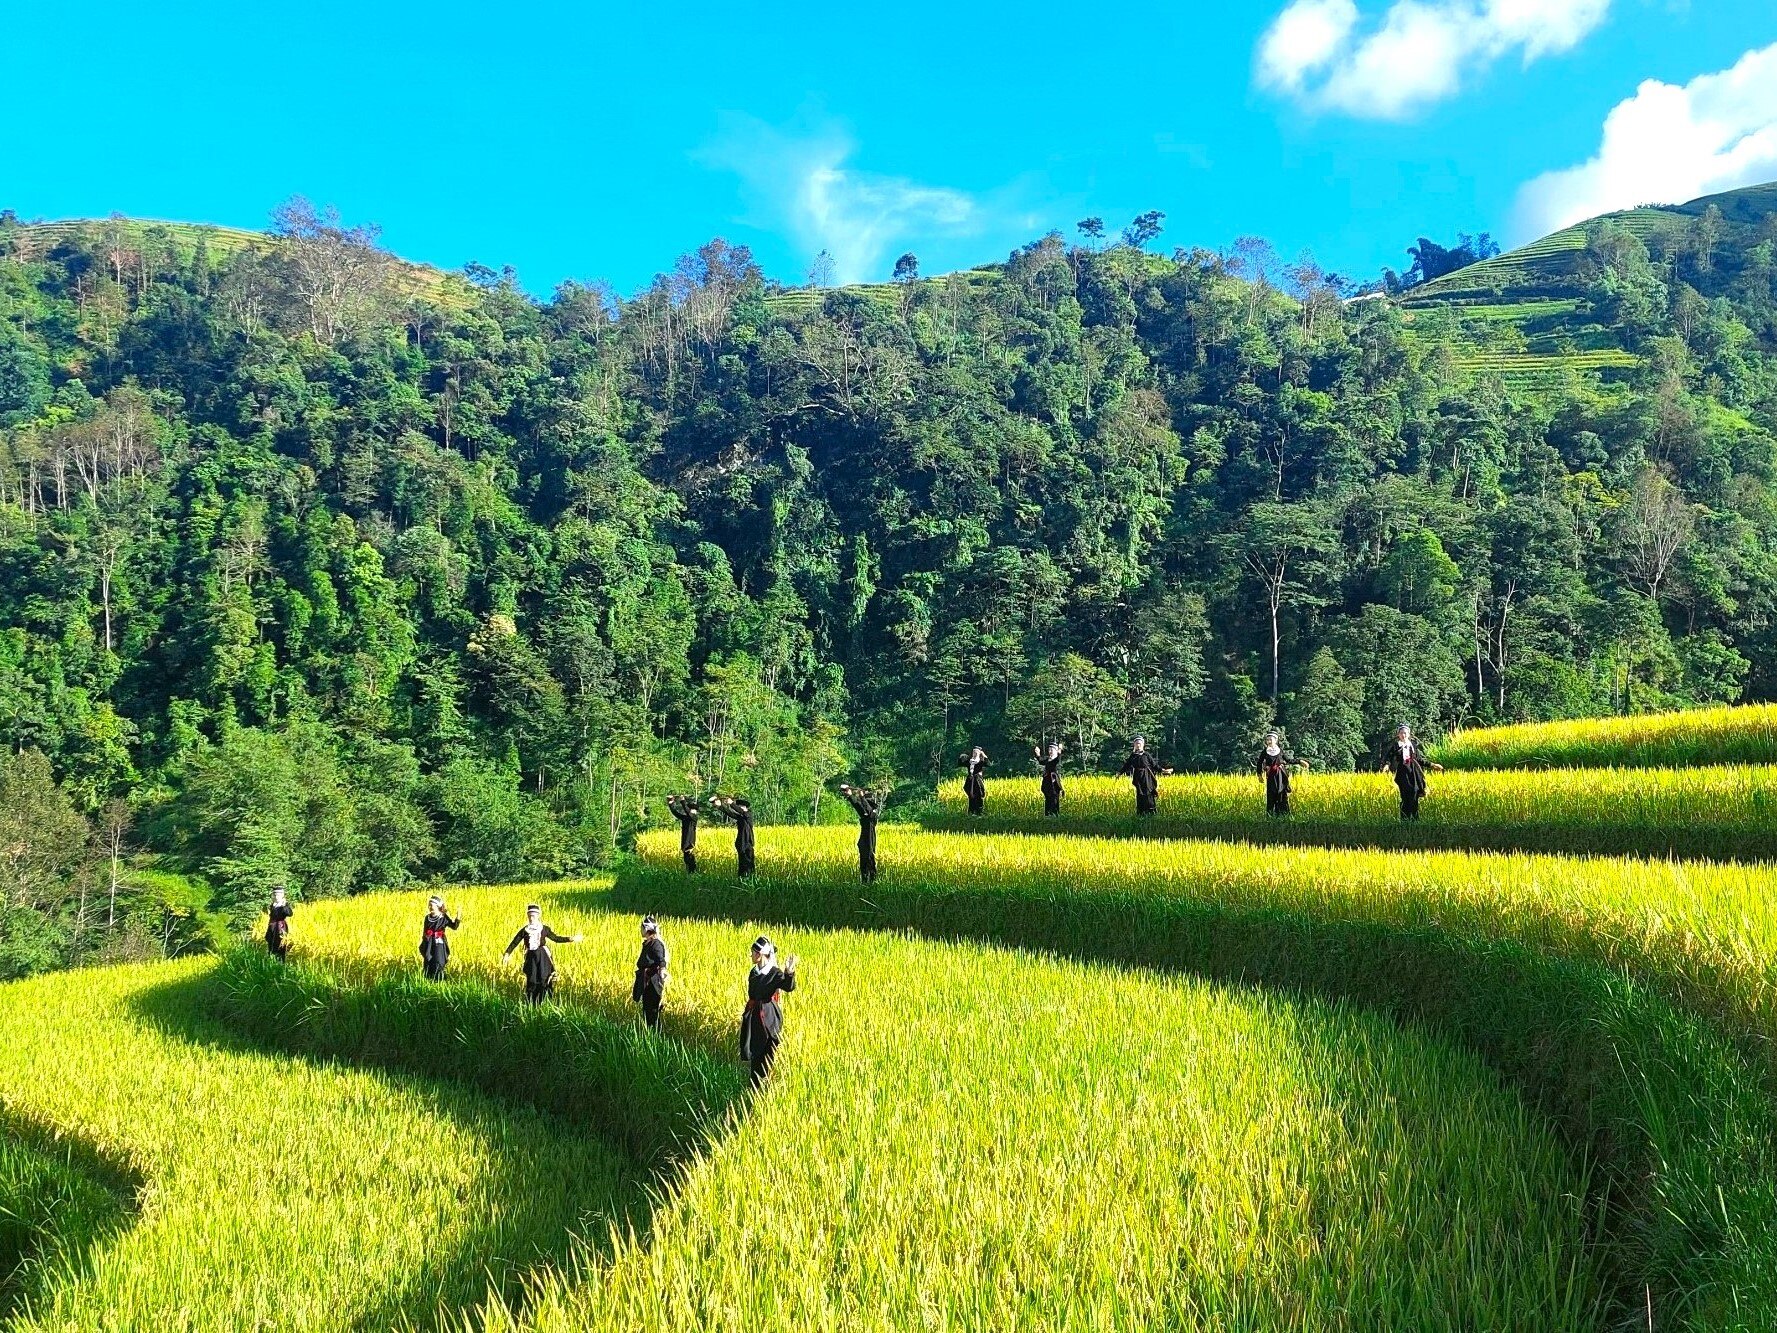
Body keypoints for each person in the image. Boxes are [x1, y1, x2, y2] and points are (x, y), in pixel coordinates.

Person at [739, 935, 799, 1087]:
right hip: (755, 1017)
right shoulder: (754, 972)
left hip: (769, 1017)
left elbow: (788, 986)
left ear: (760, 955)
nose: (751, 955)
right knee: (755, 1051)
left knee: (767, 1051)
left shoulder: (774, 973)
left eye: (753, 952)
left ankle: (764, 1083)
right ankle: (754, 1085)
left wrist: (789, 972)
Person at [502, 904, 583, 1004]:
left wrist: (570, 939)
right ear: (528, 916)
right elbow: (515, 942)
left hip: (543, 956)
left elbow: (556, 938)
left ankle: (545, 1002)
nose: (532, 918)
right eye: (530, 915)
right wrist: (507, 953)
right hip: (531, 957)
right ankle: (531, 1003)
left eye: (534, 915)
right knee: (532, 979)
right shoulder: (525, 930)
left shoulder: (544, 929)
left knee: (544, 978)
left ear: (538, 916)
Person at [1379, 723, 1444, 821]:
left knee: (1415, 792)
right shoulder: (1396, 745)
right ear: (1398, 735)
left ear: (1408, 734)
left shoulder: (1412, 745)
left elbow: (1419, 759)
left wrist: (1432, 765)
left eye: (1405, 733)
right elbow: (1389, 757)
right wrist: (1387, 765)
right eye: (1401, 733)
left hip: (1414, 772)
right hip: (1402, 773)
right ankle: (1405, 819)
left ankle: (1415, 818)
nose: (1403, 735)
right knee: (1405, 795)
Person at [838, 781, 884, 883]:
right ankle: (864, 881)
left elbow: (866, 809)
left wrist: (862, 798)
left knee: (870, 861)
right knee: (863, 863)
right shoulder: (865, 814)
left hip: (869, 841)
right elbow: (859, 807)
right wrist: (850, 796)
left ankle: (872, 881)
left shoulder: (872, 814)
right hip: (864, 841)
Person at [1117, 736, 1172, 817]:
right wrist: (1120, 773)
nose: (1138, 745)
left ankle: (1151, 812)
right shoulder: (1133, 756)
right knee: (1140, 794)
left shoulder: (1146, 755)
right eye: (1136, 744)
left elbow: (1154, 765)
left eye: (1139, 743)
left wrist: (1163, 771)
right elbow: (1127, 765)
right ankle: (1141, 813)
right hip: (1138, 777)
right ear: (1134, 745)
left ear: (1142, 745)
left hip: (1147, 777)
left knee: (1149, 793)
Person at [1257, 731, 1308, 817]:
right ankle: (1270, 815)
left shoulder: (1280, 751)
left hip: (1281, 775)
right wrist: (1259, 775)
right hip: (1271, 776)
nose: (1268, 741)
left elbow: (1289, 760)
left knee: (1281, 793)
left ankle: (1282, 814)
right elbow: (1259, 763)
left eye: (1270, 739)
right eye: (1267, 740)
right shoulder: (1265, 752)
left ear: (1275, 740)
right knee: (1271, 794)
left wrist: (1300, 761)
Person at [631, 915, 669, 1031]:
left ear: (647, 929)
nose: (640, 930)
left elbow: (661, 960)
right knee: (646, 1008)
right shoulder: (648, 943)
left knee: (652, 1009)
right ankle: (649, 1032)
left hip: (652, 980)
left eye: (642, 927)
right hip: (646, 980)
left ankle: (655, 1034)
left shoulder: (655, 944)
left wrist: (662, 971)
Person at [709, 795, 756, 877]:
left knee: (749, 863)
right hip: (741, 843)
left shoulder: (748, 815)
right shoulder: (741, 817)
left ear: (744, 807)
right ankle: (742, 878)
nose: (738, 809)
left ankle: (750, 878)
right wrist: (720, 806)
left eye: (739, 807)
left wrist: (731, 804)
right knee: (742, 864)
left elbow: (742, 812)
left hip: (748, 843)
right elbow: (729, 812)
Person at [418, 894, 461, 980]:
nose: (429, 907)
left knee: (438, 961)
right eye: (429, 905)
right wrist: (424, 942)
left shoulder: (443, 917)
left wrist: (458, 917)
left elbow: (454, 927)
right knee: (428, 960)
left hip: (439, 943)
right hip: (429, 942)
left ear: (437, 906)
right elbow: (425, 931)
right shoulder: (427, 917)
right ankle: (429, 980)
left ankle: (440, 981)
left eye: (431, 905)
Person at [665, 794, 701, 874]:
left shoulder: (694, 818)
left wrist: (682, 800)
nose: (691, 810)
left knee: (691, 861)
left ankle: (693, 874)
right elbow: (675, 813)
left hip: (690, 844)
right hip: (685, 843)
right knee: (686, 861)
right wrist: (671, 803)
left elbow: (687, 811)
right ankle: (690, 875)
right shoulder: (686, 818)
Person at [1033, 742, 1064, 818]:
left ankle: (1055, 814)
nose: (1050, 751)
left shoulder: (1055, 760)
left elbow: (1057, 759)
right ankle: (1047, 815)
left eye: (1052, 749)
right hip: (1047, 781)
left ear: (1056, 751)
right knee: (1048, 798)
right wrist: (1038, 753)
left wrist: (1060, 749)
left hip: (1053, 782)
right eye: (1049, 749)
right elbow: (1041, 761)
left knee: (1054, 798)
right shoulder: (1048, 759)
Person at [265, 885, 293, 961]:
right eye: (275, 895)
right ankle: (272, 961)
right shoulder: (273, 905)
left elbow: (290, 914)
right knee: (271, 943)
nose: (276, 897)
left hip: (280, 927)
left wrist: (284, 906)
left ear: (282, 896)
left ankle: (281, 961)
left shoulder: (284, 904)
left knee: (280, 943)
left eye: (278, 895)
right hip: (272, 926)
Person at [959, 746, 990, 817]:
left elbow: (988, 764)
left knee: (978, 795)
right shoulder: (970, 762)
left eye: (976, 752)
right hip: (970, 779)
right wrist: (961, 757)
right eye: (973, 752)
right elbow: (961, 764)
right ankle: (971, 812)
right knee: (971, 795)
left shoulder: (980, 762)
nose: (974, 754)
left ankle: (979, 812)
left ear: (979, 753)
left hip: (977, 780)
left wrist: (984, 756)